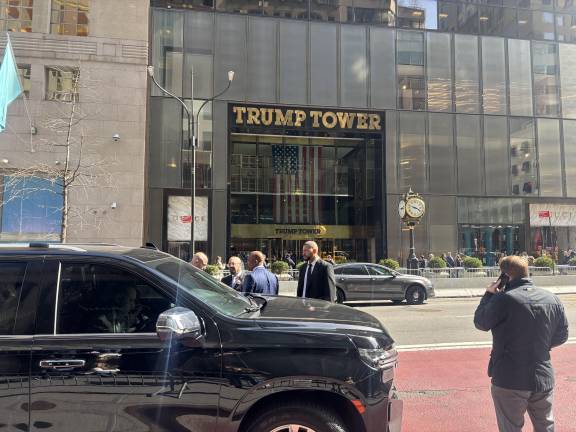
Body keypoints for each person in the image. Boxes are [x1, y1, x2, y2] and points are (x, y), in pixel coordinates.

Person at [473, 256, 568, 432]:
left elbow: (481, 322)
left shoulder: (503, 299)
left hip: (509, 377)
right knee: (545, 426)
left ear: (505, 276)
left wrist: (488, 294)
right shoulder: (552, 299)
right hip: (542, 376)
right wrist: (541, 346)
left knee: (510, 428)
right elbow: (561, 336)